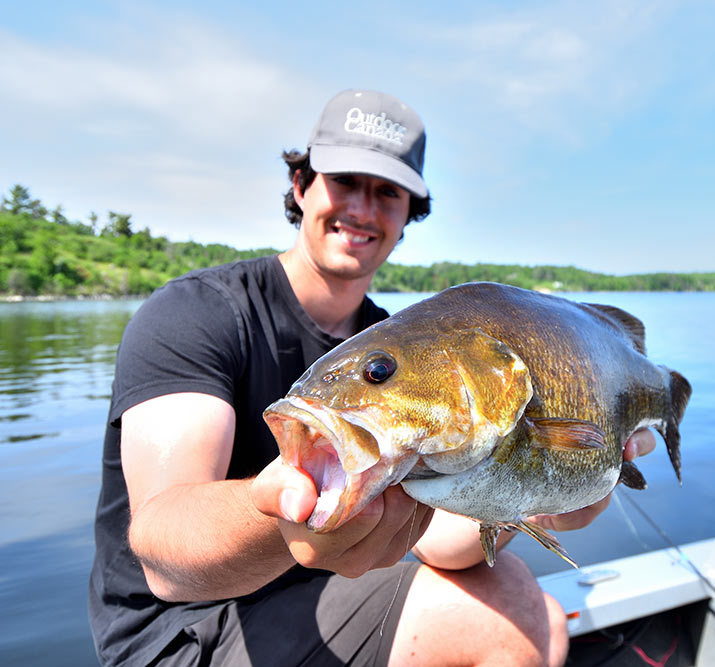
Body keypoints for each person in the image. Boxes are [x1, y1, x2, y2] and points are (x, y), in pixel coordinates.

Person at [88, 89, 656, 667]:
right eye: (344, 180)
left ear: (409, 213)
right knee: (508, 613)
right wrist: (291, 516)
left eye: (388, 191)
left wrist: (538, 502)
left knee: (539, 612)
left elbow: (439, 543)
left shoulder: (402, 343)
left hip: (317, 595)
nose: (362, 208)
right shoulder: (196, 314)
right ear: (301, 186)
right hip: (185, 632)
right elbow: (163, 552)